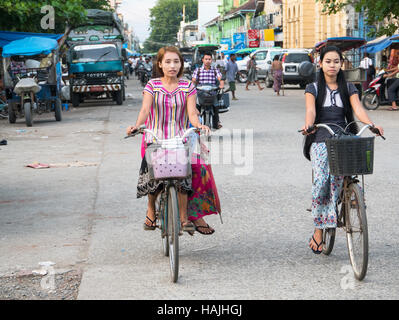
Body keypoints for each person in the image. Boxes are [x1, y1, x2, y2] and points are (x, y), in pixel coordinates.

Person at [302, 46, 384, 254]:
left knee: (339, 177)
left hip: (343, 136)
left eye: (336, 61)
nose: (332, 65)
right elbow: (310, 111)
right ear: (320, 64)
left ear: (341, 64)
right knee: (322, 179)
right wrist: (309, 125)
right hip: (320, 136)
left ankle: (350, 196)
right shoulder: (312, 88)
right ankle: (319, 229)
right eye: (328, 61)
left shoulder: (349, 87)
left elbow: (358, 109)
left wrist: (372, 124)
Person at [126, 46, 214, 234]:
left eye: (176, 61)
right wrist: (136, 126)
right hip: (155, 137)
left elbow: (192, 113)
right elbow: (145, 110)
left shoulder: (187, 86)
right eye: (167, 62)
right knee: (154, 179)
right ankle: (151, 209)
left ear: (181, 64)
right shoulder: (152, 85)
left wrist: (198, 125)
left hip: (180, 138)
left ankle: (185, 219)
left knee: (185, 177)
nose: (172, 66)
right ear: (160, 64)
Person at [192, 52, 225, 129]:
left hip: (212, 92)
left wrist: (221, 85)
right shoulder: (198, 70)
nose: (207, 61)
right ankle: (196, 124)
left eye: (209, 59)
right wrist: (193, 84)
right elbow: (193, 79)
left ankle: (217, 122)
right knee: (196, 107)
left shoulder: (215, 70)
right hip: (201, 92)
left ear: (212, 60)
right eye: (206, 59)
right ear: (203, 60)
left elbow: (220, 78)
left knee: (216, 106)